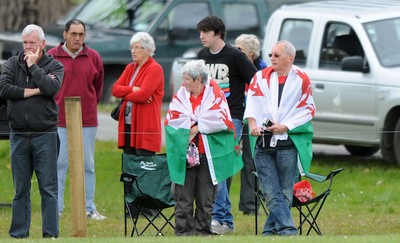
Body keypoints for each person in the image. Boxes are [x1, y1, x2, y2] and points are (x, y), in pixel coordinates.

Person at [244, 40, 316, 236]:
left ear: (289, 58)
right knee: (270, 190)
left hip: (287, 143)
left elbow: (308, 109)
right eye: (271, 55)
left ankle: (270, 231)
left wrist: (286, 126)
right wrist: (252, 125)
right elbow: (251, 105)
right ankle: (288, 230)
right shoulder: (260, 77)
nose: (272, 58)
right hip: (263, 144)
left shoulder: (302, 79)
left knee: (284, 191)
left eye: (277, 55)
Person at [164, 59, 242, 236]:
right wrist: (189, 128)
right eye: (183, 79)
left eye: (186, 79)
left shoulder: (215, 95)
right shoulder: (180, 97)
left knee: (205, 197)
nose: (183, 83)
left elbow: (222, 120)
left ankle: (202, 232)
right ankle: (183, 232)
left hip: (208, 155)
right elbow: (171, 120)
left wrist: (197, 127)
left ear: (198, 79)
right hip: (186, 156)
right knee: (183, 197)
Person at [0, 24, 64, 238]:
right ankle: (19, 234)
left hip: (45, 135)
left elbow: (52, 88)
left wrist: (34, 67)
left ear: (43, 44)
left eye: (32, 43)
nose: (27, 47)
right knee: (21, 190)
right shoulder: (11, 63)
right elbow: (4, 89)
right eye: (25, 42)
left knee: (48, 189)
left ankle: (51, 235)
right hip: (18, 135)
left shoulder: (54, 65)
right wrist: (36, 91)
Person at [197, 16, 257, 234]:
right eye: (200, 32)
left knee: (220, 168)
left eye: (205, 32)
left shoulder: (235, 56)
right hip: (207, 118)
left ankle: (223, 220)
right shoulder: (201, 56)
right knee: (212, 168)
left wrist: (252, 115)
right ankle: (219, 218)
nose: (201, 36)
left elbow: (256, 82)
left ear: (217, 33)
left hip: (232, 118)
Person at [48, 19, 106, 220]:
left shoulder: (94, 57)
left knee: (88, 165)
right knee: (59, 164)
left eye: (81, 34)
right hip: (59, 120)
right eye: (73, 34)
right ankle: (57, 208)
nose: (77, 38)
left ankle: (89, 208)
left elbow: (98, 88)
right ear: (65, 34)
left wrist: (89, 106)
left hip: (87, 120)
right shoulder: (51, 57)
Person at [111, 32, 164, 217]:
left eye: (137, 47)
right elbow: (115, 89)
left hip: (144, 127)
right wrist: (132, 90)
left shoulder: (154, 69)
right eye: (131, 47)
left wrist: (132, 93)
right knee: (129, 167)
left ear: (148, 50)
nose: (133, 51)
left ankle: (148, 208)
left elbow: (144, 94)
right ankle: (131, 209)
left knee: (144, 168)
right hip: (128, 126)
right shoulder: (130, 68)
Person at [234, 34, 267, 215]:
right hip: (236, 117)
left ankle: (250, 205)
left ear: (252, 54)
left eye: (240, 50)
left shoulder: (262, 70)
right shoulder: (234, 66)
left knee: (250, 162)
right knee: (231, 160)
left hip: (253, 120)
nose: (236, 53)